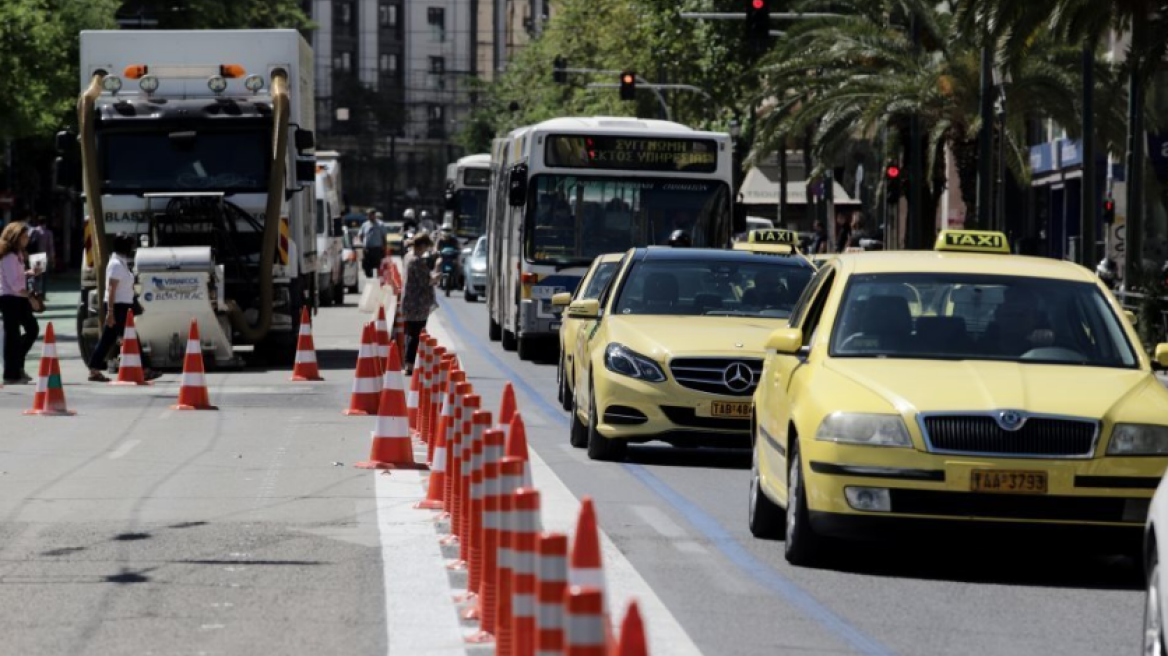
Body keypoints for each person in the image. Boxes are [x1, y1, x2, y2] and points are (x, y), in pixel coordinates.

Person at [87, 234, 159, 382]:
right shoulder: (115, 264)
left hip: (123, 306)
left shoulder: (121, 263)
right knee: (129, 337)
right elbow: (112, 289)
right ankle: (144, 369)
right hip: (118, 307)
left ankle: (94, 369)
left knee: (109, 338)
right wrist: (111, 312)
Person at [0, 222, 40, 384]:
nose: (27, 240)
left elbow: (17, 277)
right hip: (10, 297)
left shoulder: (18, 255)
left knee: (31, 329)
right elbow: (14, 284)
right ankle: (11, 373)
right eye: (24, 237)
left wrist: (30, 272)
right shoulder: (9, 256)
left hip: (18, 297)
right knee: (13, 335)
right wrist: (30, 297)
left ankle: (16, 364)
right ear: (15, 237)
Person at [400, 231, 437, 374]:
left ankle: (408, 363)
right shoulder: (417, 261)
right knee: (416, 334)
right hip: (418, 303)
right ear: (422, 246)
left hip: (409, 302)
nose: (426, 251)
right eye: (426, 247)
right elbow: (426, 282)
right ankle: (410, 365)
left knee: (411, 333)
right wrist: (437, 273)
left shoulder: (408, 256)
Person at [357, 210, 387, 279]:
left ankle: (378, 277)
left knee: (378, 264)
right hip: (367, 248)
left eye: (371, 215)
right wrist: (363, 243)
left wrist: (384, 247)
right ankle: (369, 275)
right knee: (366, 265)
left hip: (377, 248)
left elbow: (383, 237)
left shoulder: (380, 224)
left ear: (374, 215)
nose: (369, 216)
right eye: (368, 215)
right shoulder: (365, 224)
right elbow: (360, 235)